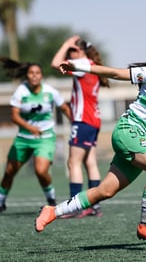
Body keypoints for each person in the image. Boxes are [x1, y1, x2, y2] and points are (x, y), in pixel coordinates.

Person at [35, 42, 146, 243]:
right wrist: (78, 66)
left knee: (105, 191)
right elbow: (113, 73)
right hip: (129, 131)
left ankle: (52, 211)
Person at [0, 58, 71, 215]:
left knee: (40, 171)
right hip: (23, 138)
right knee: (9, 171)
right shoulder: (21, 91)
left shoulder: (51, 92)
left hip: (45, 138)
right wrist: (30, 128)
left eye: (37, 73)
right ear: (27, 75)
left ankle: (52, 202)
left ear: (41, 75)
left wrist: (76, 122)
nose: (34, 75)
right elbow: (14, 116)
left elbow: (64, 108)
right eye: (31, 73)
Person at [51, 36, 109, 218]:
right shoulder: (91, 64)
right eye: (70, 51)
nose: (70, 53)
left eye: (73, 50)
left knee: (73, 162)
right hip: (93, 120)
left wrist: (64, 43)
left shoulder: (82, 64)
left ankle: (74, 206)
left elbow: (55, 63)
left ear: (82, 51)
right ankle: (94, 206)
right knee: (89, 162)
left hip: (83, 120)